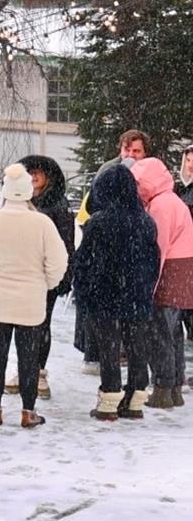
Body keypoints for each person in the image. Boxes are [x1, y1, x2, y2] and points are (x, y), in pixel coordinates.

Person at [0, 164, 68, 429]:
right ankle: (28, 411)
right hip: (31, 302)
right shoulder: (42, 223)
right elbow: (58, 261)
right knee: (29, 358)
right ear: (28, 192)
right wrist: (46, 283)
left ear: (6, 192)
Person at [71, 166, 159, 421]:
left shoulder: (97, 223)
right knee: (137, 345)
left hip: (104, 294)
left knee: (109, 347)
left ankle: (109, 400)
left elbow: (84, 260)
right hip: (137, 294)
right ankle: (135, 399)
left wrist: (84, 289)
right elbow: (154, 258)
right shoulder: (146, 222)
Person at [130, 157, 192, 409]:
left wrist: (149, 285)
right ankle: (175, 385)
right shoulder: (172, 200)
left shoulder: (161, 205)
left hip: (170, 273)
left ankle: (163, 388)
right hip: (183, 272)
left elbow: (159, 247)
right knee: (173, 332)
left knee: (159, 333)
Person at [15, 155, 76, 401]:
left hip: (45, 275)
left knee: (41, 324)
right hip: (21, 273)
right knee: (21, 324)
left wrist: (63, 275)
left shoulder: (57, 207)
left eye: (38, 172)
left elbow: (66, 245)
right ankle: (22, 371)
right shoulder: (19, 202)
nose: (33, 177)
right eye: (29, 172)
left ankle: (38, 372)